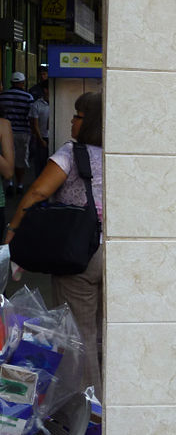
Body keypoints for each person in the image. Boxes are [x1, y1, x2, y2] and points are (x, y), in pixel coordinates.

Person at [5, 92, 104, 399]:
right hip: (119, 252)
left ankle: (94, 414)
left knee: (82, 334)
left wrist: (13, 230)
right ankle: (116, 403)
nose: (73, 121)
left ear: (89, 123)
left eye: (77, 116)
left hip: (79, 254)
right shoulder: (123, 153)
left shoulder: (72, 154)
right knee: (108, 331)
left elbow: (37, 192)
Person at [0, 72, 35, 194]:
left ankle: (9, 182)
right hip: (23, 132)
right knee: (20, 159)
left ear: (11, 83)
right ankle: (20, 185)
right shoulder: (28, 97)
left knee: (7, 157)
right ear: (22, 83)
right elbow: (31, 116)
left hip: (5, 133)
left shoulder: (3, 96)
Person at [28, 84, 50, 178]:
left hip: (54, 136)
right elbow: (35, 124)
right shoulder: (37, 104)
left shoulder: (58, 102)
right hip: (42, 137)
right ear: (45, 90)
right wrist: (41, 140)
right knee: (40, 162)